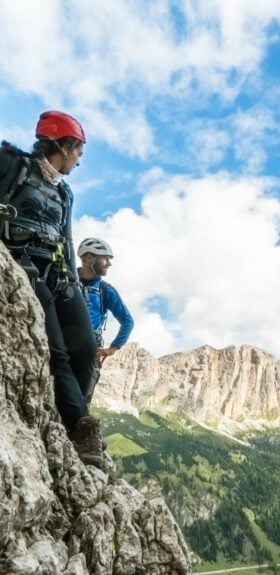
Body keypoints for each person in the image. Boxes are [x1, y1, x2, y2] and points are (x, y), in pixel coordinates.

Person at [0, 111, 105, 468]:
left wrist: (72, 284)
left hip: (58, 272)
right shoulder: (12, 164)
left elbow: (67, 237)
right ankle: (81, 426)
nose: (79, 160)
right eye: (78, 152)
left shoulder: (65, 192)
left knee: (87, 350)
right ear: (63, 145)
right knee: (56, 348)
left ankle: (75, 413)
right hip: (22, 264)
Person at [77, 237, 134, 402]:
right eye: (105, 258)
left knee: (81, 402)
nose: (109, 263)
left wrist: (113, 348)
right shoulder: (66, 279)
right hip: (63, 348)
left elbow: (127, 320)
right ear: (89, 258)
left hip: (89, 352)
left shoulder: (105, 290)